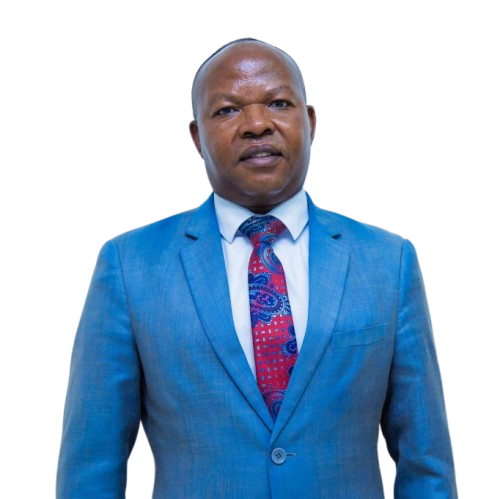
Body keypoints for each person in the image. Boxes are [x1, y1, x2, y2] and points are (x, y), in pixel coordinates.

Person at [57, 38, 457, 498]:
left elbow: (427, 465)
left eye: (279, 103)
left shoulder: (387, 262)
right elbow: (91, 469)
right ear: (197, 137)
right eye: (228, 110)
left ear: (309, 122)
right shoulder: (131, 267)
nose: (257, 124)